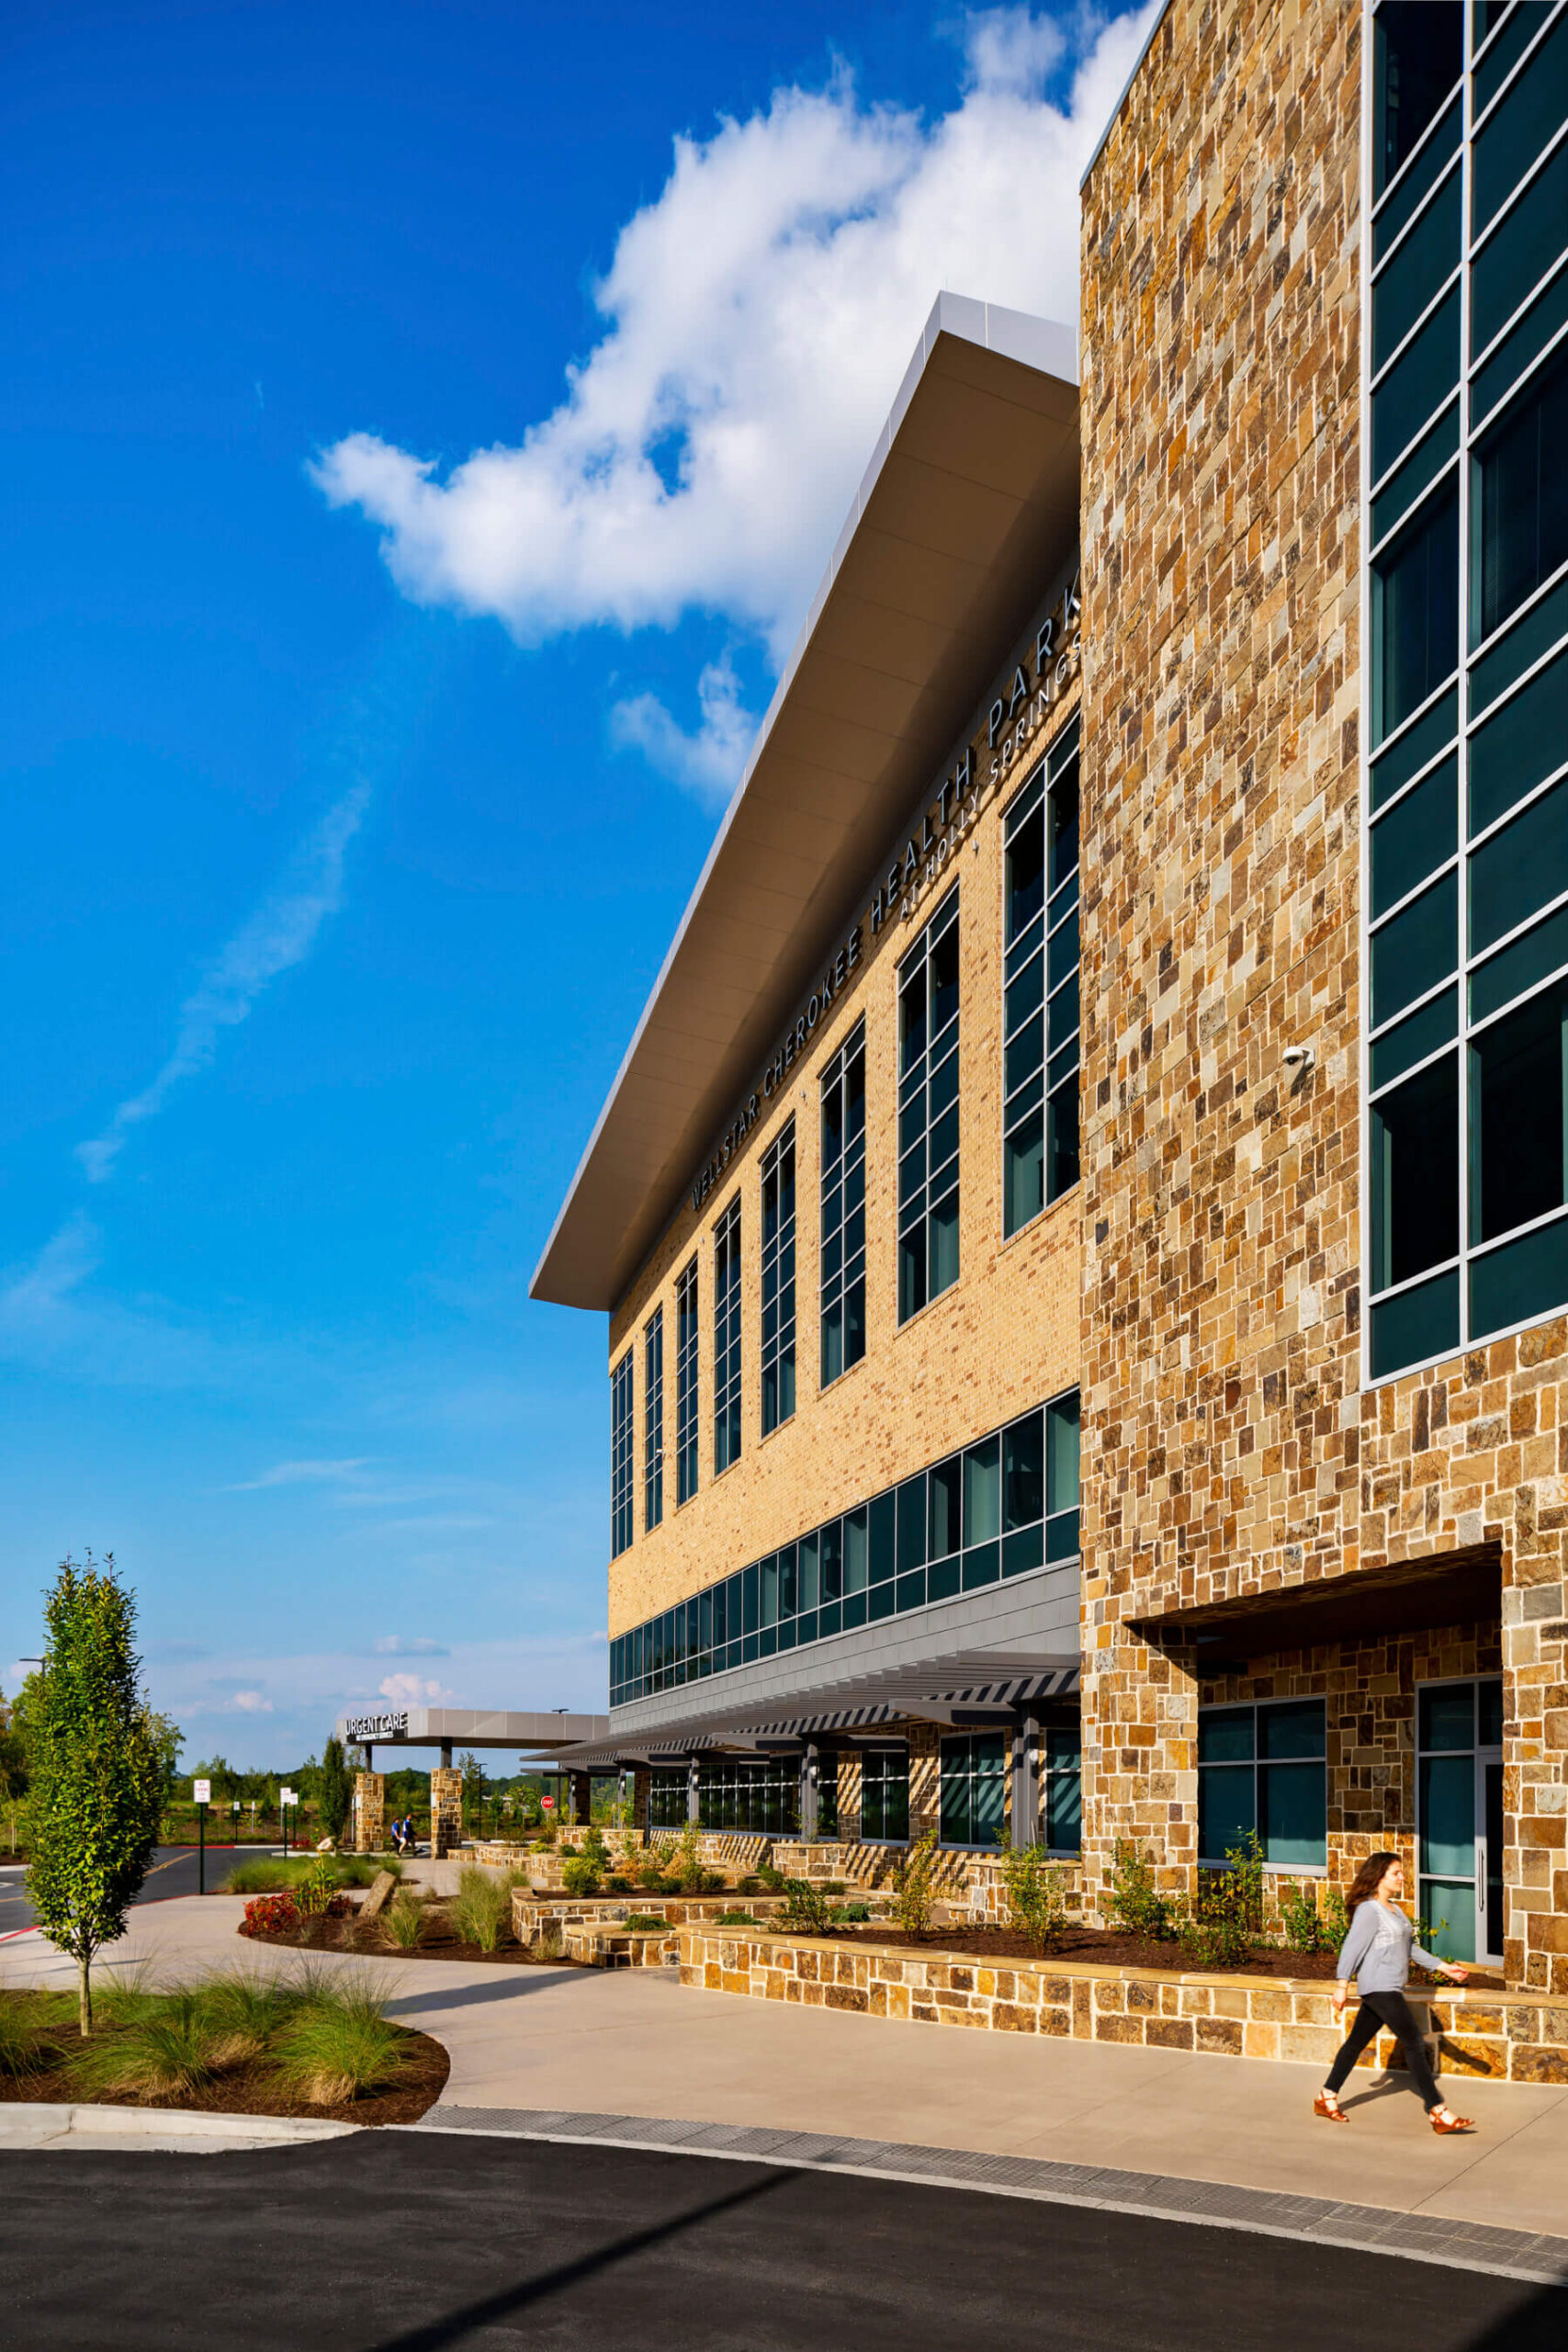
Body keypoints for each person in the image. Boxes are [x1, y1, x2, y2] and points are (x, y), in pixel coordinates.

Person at [1315, 1851, 1474, 2133]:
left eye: (1402, 1872)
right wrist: (1342, 1985)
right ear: (1379, 1877)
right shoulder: (1368, 1910)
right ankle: (1437, 2110)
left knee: (1354, 2043)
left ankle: (1326, 2096)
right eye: (1396, 1873)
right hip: (1379, 1987)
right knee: (1413, 2041)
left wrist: (1444, 1968)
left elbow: (1411, 1948)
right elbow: (1352, 1949)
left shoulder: (1396, 1911)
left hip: (1390, 1988)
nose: (1402, 1877)